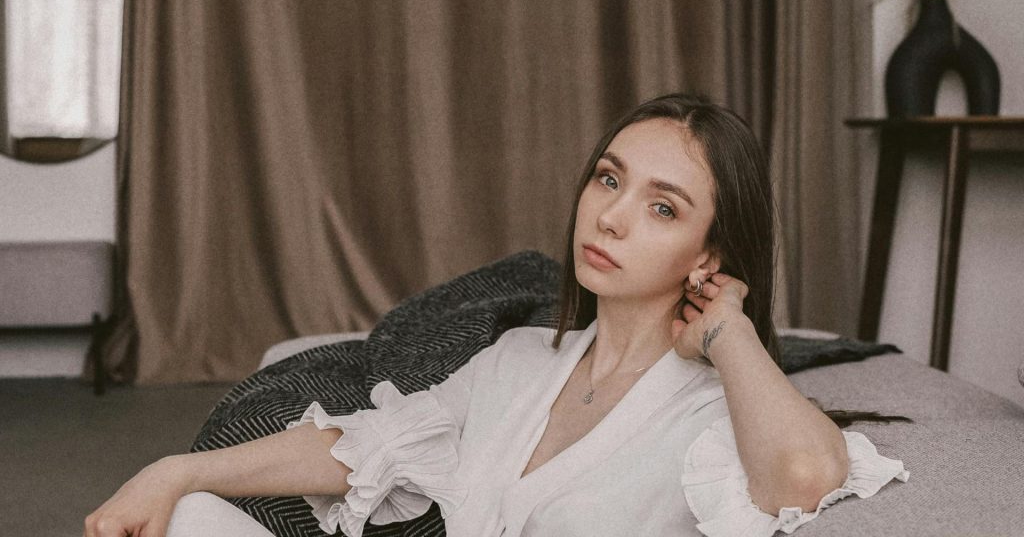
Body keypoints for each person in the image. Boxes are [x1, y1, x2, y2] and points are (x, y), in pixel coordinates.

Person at [84, 94, 908, 537]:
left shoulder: (715, 410)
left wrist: (727, 327)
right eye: (610, 179)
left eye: (664, 208)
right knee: (191, 517)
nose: (612, 216)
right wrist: (177, 469)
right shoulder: (518, 361)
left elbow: (804, 478)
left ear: (710, 254)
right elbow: (358, 447)